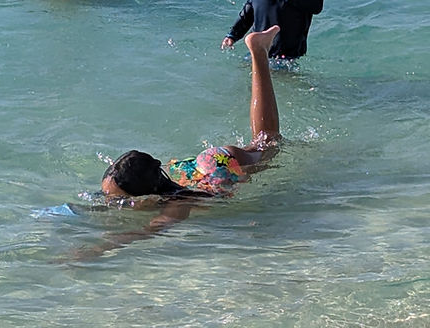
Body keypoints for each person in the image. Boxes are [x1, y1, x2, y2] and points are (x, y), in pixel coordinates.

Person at [78, 26, 281, 256]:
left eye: (120, 201)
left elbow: (152, 230)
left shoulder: (178, 204)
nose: (111, 204)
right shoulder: (154, 180)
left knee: (270, 142)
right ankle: (259, 51)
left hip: (221, 167)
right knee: (264, 141)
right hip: (205, 163)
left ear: (148, 194)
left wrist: (99, 248)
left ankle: (259, 53)